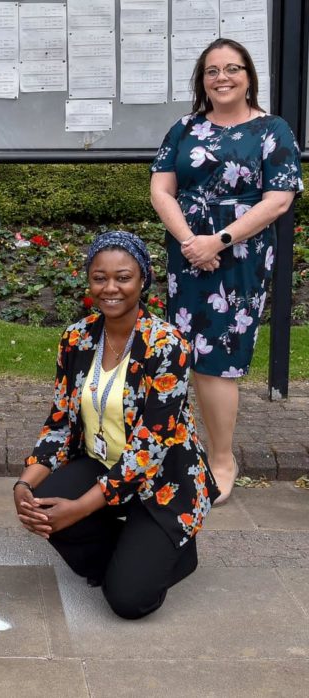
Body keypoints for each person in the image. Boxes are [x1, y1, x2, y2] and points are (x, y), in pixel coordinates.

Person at [14, 231, 219, 620]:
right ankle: (130, 555)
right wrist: (25, 484)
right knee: (43, 505)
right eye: (99, 277)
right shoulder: (77, 338)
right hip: (102, 460)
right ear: (88, 280)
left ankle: (175, 551)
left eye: (123, 277)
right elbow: (59, 421)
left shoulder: (167, 345)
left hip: (163, 478)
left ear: (143, 280)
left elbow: (148, 449)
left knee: (128, 601)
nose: (110, 288)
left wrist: (78, 508)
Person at [150, 38, 303, 504]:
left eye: (232, 69)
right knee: (188, 353)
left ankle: (221, 458)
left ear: (249, 76)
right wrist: (190, 243)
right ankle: (187, 451)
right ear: (202, 79)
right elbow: (161, 189)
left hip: (240, 255)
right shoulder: (184, 128)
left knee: (220, 358)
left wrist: (218, 241)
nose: (222, 78)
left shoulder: (273, 129)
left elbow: (279, 199)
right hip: (187, 252)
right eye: (212, 70)